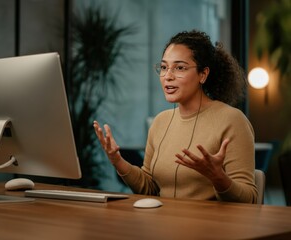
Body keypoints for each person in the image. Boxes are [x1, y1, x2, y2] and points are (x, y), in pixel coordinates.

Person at [93, 30, 257, 203]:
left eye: (180, 68)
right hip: (162, 225)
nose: (168, 76)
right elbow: (149, 188)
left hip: (209, 227)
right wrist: (118, 161)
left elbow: (249, 199)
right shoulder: (160, 122)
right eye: (164, 67)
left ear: (203, 74)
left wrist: (218, 177)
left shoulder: (232, 120)